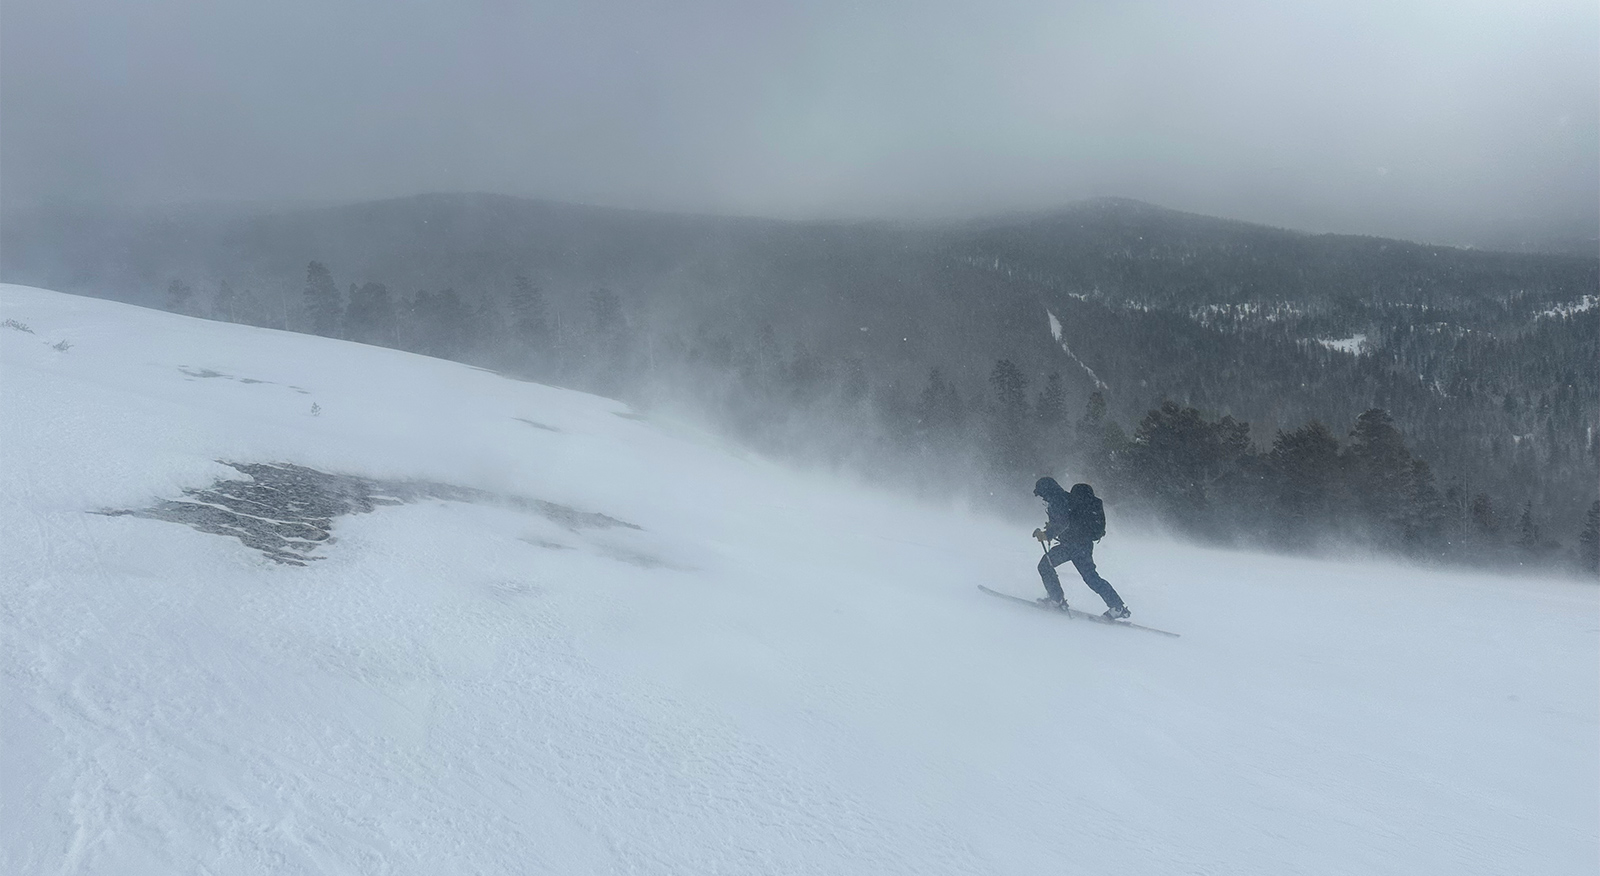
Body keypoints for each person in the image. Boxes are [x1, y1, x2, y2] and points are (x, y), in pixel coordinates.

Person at [1030, 477, 1130, 619]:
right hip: (1083, 545)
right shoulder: (1065, 498)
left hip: (1070, 545)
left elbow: (1063, 522)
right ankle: (1117, 607)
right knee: (1091, 577)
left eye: (1042, 494)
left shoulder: (1058, 499)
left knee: (1045, 566)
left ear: (1047, 490)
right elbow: (1067, 522)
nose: (1043, 498)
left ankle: (1056, 599)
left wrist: (1046, 534)